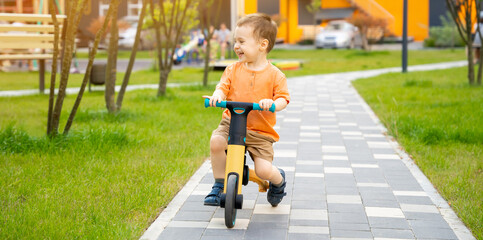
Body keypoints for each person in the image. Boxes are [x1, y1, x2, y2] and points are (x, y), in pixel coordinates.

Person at [204, 13, 290, 207]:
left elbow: (283, 99)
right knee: (217, 142)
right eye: (235, 41)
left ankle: (279, 181)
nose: (236, 46)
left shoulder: (275, 75)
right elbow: (222, 87)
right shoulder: (233, 69)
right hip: (232, 122)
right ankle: (219, 184)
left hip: (260, 131)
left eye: (241, 41)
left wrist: (273, 103)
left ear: (262, 45)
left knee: (263, 170)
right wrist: (217, 96)